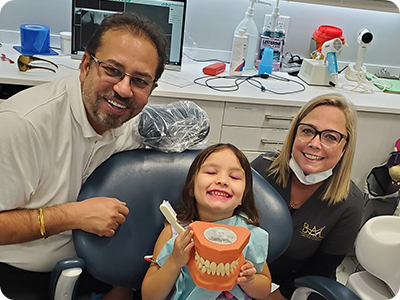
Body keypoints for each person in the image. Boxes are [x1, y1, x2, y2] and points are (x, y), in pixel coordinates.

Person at [0, 12, 168, 299]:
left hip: (105, 270)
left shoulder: (133, 125)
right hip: (22, 277)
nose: (124, 89)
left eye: (140, 81)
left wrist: (123, 284)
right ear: (86, 65)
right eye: (113, 70)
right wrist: (71, 216)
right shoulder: (23, 125)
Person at [250, 93, 364, 300]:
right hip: (250, 275)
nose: (314, 143)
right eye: (307, 131)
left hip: (301, 286)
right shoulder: (261, 170)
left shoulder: (350, 203)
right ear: (294, 134)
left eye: (330, 137)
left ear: (345, 146)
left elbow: (321, 267)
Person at [141, 143, 272, 300]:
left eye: (234, 177)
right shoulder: (174, 233)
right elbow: (149, 296)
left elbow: (265, 290)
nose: (222, 181)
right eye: (211, 172)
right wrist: (174, 261)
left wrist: (249, 281)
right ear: (191, 187)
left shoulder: (250, 236)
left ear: (243, 196)